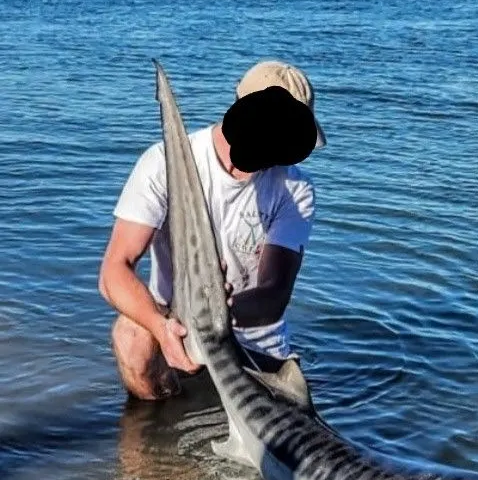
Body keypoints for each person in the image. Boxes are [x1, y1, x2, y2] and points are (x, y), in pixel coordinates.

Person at [100, 61, 325, 400]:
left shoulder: (296, 189)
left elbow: (274, 295)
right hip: (178, 330)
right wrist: (163, 328)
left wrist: (218, 308)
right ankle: (146, 442)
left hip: (255, 347)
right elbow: (114, 271)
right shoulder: (164, 163)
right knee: (131, 333)